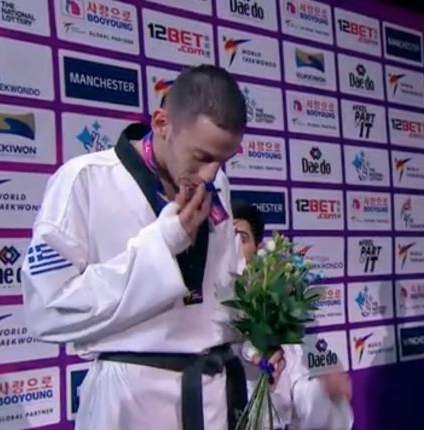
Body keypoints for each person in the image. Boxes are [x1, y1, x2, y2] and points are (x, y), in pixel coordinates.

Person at [21, 65, 284, 430]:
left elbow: (217, 291)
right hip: (131, 402)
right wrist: (163, 243)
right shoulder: (84, 180)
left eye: (223, 160)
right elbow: (47, 308)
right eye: (201, 157)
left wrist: (252, 338)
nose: (210, 174)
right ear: (162, 123)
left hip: (213, 397)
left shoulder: (216, 184)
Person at [231, 200, 355, 430]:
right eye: (226, 237)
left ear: (257, 249)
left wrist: (326, 392)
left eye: (242, 238)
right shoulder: (197, 313)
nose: (233, 246)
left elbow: (300, 394)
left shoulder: (273, 312)